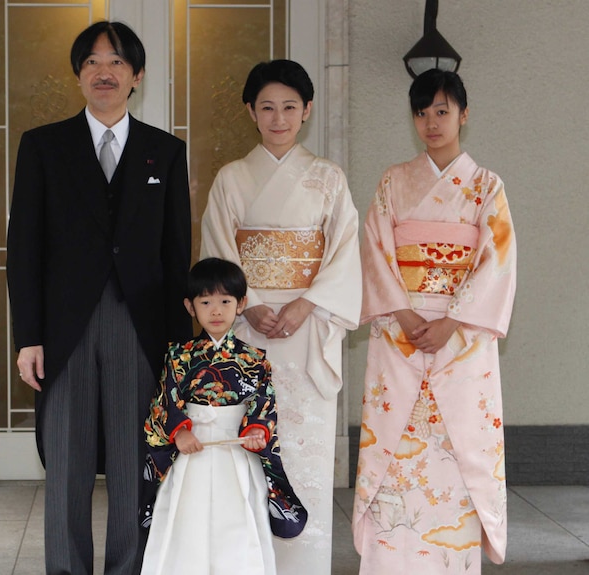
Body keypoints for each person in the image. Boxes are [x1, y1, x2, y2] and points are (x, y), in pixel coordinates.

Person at [6, 21, 192, 575]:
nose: (103, 72)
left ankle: (129, 568)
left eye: (115, 62)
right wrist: (28, 338)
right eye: (91, 62)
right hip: (65, 329)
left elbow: (175, 256)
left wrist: (177, 352)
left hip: (139, 328)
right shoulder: (42, 147)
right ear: (78, 75)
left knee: (136, 462)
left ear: (136, 75)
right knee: (66, 462)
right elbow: (25, 251)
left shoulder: (166, 151)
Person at [199, 59, 362, 574]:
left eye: (290, 106)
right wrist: (252, 304)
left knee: (303, 456)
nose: (278, 117)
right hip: (249, 326)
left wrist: (304, 303)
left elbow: (344, 254)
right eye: (267, 106)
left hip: (307, 326)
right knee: (246, 448)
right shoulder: (231, 179)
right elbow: (219, 255)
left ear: (307, 111)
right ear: (250, 111)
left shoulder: (329, 179)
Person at [351, 69, 516, 574]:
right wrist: (403, 313)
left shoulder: (487, 185)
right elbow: (375, 250)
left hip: (460, 337)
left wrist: (451, 321)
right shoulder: (393, 181)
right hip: (399, 332)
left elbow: (497, 259)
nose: (431, 122)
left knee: (458, 449)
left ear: (464, 115)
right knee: (396, 453)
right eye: (421, 112)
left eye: (442, 111)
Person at [140, 258, 306, 575]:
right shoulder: (179, 354)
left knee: (239, 517)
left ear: (241, 304)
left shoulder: (255, 359)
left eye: (225, 301)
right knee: (188, 515)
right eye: (205, 302)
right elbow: (165, 400)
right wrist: (179, 432)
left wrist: (258, 429)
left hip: (237, 449)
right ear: (190, 307)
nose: (216, 311)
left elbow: (263, 402)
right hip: (192, 449)